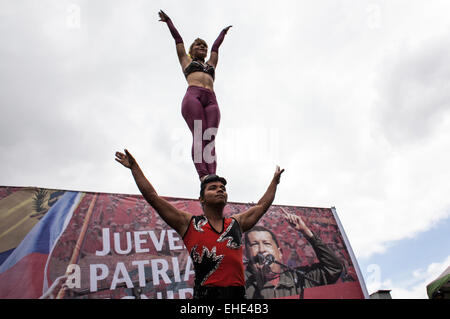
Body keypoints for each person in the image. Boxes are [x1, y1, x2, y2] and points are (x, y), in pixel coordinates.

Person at [115, 149, 284, 299]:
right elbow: (153, 198)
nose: (220, 190)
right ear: (201, 199)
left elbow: (261, 206)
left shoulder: (236, 224)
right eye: (213, 188)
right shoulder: (188, 224)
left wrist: (274, 182)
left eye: (222, 188)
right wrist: (135, 169)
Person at [158, 10, 232, 181]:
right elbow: (178, 40)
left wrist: (222, 33)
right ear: (192, 50)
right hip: (193, 96)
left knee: (210, 137)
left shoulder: (211, 63)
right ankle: (203, 175)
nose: (202, 48)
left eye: (204, 46)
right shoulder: (186, 60)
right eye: (198, 45)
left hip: (211, 99)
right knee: (199, 134)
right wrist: (169, 21)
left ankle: (212, 174)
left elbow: (215, 48)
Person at [244, 210, 343, 299]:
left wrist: (306, 231)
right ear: (246, 254)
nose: (261, 250)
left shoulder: (301, 278)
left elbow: (334, 268)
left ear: (280, 253)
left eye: (267, 244)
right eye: (255, 244)